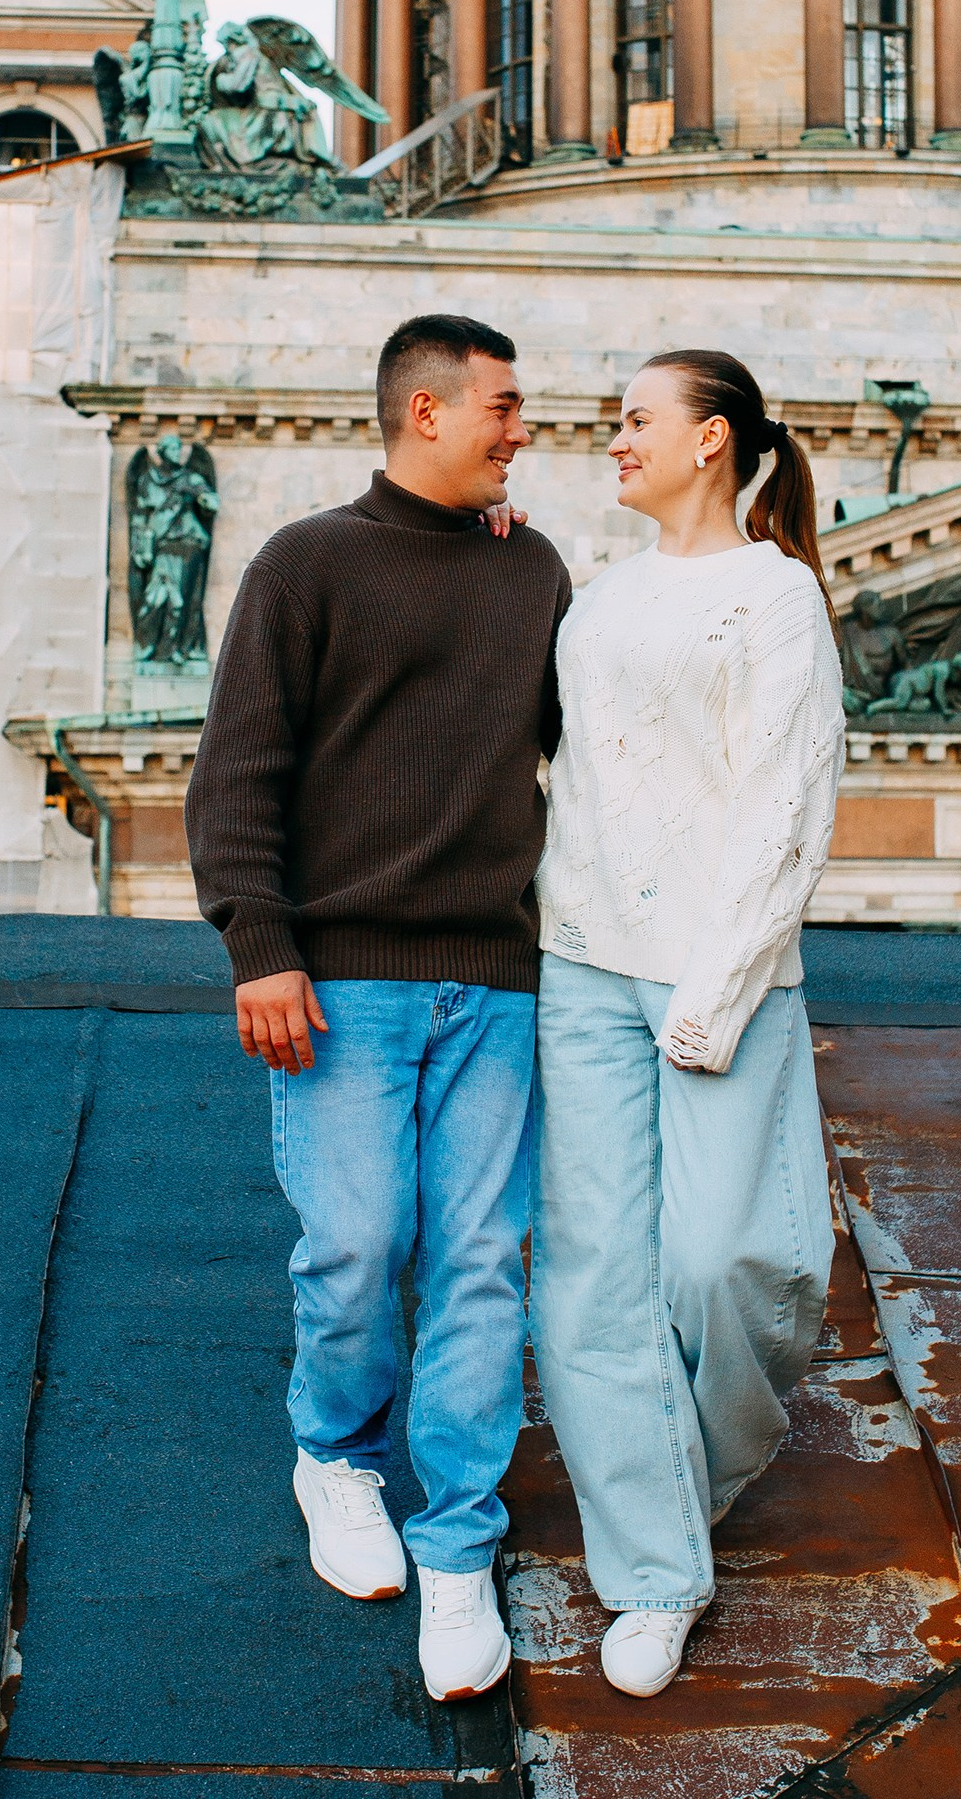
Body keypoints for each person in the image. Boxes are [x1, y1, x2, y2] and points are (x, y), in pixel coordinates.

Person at [183, 312, 570, 1704]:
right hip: (337, 981)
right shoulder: (307, 564)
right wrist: (260, 945)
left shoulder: (534, 573)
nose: (524, 428)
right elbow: (239, 768)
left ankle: (458, 1544)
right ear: (426, 411)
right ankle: (335, 1456)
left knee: (479, 1265)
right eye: (505, 407)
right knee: (358, 1241)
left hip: (497, 981)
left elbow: (592, 748)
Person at [529, 348, 847, 1699]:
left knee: (734, 1262)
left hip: (721, 971)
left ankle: (681, 1473)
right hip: (583, 960)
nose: (615, 442)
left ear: (712, 441)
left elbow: (787, 806)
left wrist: (713, 996)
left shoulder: (778, 601)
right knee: (594, 1283)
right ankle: (654, 1573)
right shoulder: (595, 600)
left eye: (635, 423)